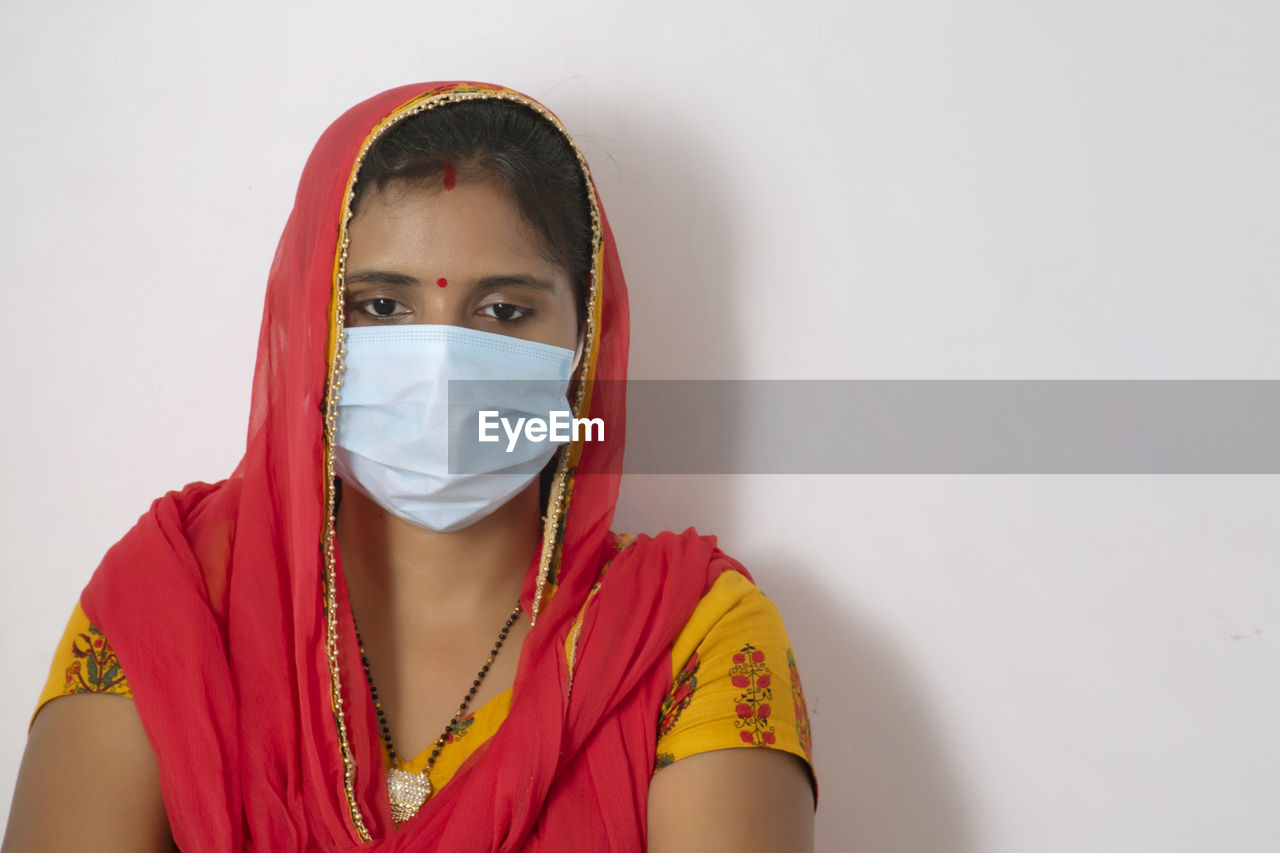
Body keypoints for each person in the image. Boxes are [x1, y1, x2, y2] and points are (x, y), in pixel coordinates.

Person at [3, 81, 816, 851]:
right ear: (310, 318)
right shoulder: (174, 598)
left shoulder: (684, 635)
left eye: (504, 310)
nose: (442, 367)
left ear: (585, 340)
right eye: (381, 307)